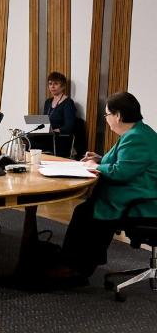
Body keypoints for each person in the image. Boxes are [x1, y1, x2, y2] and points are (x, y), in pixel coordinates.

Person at [49, 92, 157, 283]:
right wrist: (100, 159)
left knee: (86, 212)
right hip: (136, 190)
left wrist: (96, 166)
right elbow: (128, 162)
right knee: (86, 210)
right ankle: (78, 263)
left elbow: (121, 171)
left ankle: (75, 269)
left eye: (107, 115)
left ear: (118, 116)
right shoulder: (138, 132)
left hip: (142, 200)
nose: (106, 119)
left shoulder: (136, 137)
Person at [42, 71, 77, 135]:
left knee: (29, 142)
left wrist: (54, 131)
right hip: (46, 135)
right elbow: (44, 122)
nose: (52, 86)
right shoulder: (47, 102)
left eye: (56, 84)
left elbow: (69, 127)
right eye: (50, 84)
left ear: (63, 86)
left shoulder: (68, 103)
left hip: (59, 137)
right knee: (25, 137)